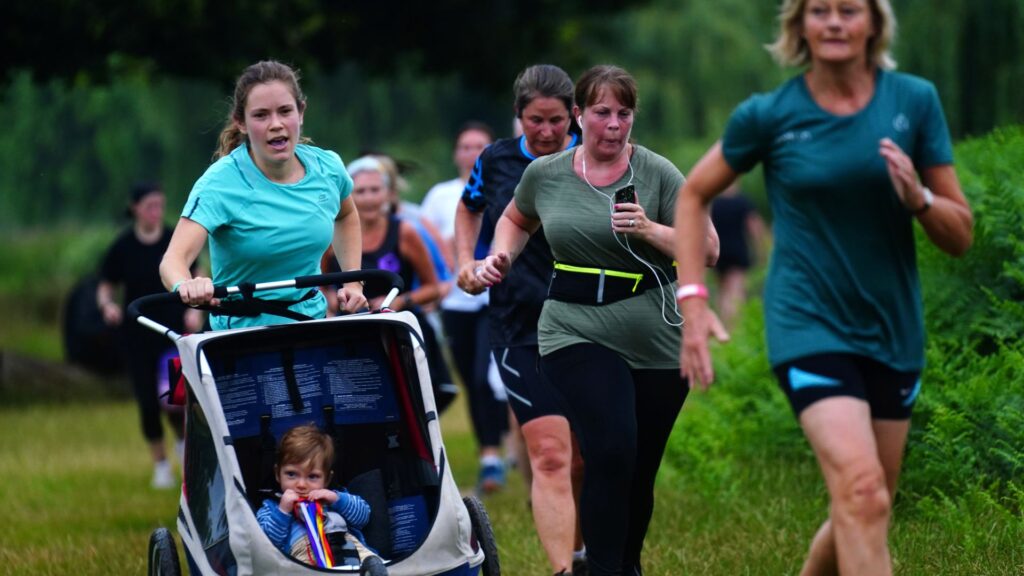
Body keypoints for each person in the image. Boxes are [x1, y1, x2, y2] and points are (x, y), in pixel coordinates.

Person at [674, 1, 973, 574]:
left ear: (874, 24)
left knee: (865, 504)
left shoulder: (914, 101)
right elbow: (693, 195)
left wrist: (920, 200)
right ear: (800, 26)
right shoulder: (769, 114)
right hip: (807, 322)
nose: (834, 22)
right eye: (819, 10)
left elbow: (960, 235)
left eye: (848, 9)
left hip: (892, 326)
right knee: (862, 493)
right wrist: (693, 302)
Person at [468, 64, 722, 576]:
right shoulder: (547, 173)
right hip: (573, 326)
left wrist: (650, 229)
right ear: (580, 116)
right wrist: (501, 256)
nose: (613, 124)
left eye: (623, 114)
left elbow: (709, 249)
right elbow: (516, 218)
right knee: (611, 447)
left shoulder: (658, 173)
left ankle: (625, 563)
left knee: (639, 465)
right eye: (602, 112)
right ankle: (603, 567)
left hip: (656, 330)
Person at [455, 64, 586, 575]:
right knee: (551, 456)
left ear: (574, 115)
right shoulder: (496, 160)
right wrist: (466, 260)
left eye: (558, 120)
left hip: (589, 323)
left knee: (586, 459)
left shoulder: (591, 155)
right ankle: (563, 570)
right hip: (517, 324)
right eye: (537, 121)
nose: (549, 132)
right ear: (519, 117)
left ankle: (586, 554)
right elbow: (469, 208)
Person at [160, 60, 366, 321]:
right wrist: (185, 285)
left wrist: (353, 282)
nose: (276, 124)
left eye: (285, 111)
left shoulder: (327, 168)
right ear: (241, 122)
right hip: (242, 337)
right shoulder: (220, 183)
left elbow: (346, 216)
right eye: (261, 115)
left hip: (311, 325)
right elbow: (173, 259)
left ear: (301, 113)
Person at [421, 122, 512, 494]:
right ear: (456, 153)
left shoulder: (506, 184)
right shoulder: (440, 196)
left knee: (483, 375)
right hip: (456, 301)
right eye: (465, 146)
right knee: (472, 383)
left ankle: (496, 453)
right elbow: (425, 241)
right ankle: (489, 455)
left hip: (497, 298)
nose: (472, 152)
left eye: (480, 146)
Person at [97, 182, 203, 489]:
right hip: (138, 333)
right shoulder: (122, 246)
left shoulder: (173, 239)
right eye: (149, 206)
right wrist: (107, 306)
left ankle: (184, 445)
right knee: (147, 400)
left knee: (175, 398)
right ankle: (160, 464)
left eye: (160, 205)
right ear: (135, 208)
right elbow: (106, 284)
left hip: (171, 331)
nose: (156, 212)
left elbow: (195, 272)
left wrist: (195, 309)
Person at [256, 424, 386, 574]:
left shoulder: (332, 498)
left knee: (373, 562)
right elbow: (266, 545)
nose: (301, 485)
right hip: (304, 559)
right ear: (278, 474)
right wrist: (283, 511)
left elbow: (363, 517)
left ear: (327, 479)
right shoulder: (272, 507)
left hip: (350, 549)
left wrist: (337, 499)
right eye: (291, 474)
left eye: (312, 476)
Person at [708, 180, 766, 329]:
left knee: (722, 291)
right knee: (735, 292)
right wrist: (761, 251)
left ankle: (722, 324)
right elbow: (755, 227)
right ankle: (733, 329)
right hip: (738, 251)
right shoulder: (743, 202)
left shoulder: (715, 203)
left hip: (718, 252)